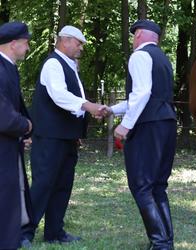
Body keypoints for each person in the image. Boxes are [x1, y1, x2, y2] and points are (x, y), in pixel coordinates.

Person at [22, 25, 103, 244]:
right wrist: (87, 106)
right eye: (78, 43)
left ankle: (54, 232)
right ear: (64, 41)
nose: (80, 48)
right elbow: (58, 95)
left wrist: (77, 127)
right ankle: (24, 233)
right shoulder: (53, 64)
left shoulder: (70, 65)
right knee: (43, 184)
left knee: (63, 185)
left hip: (66, 137)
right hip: (49, 136)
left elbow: (71, 100)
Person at [100, 20, 177, 249]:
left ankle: (160, 243)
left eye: (134, 35)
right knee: (158, 186)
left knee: (142, 185)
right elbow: (146, 96)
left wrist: (125, 125)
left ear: (140, 35)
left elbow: (142, 93)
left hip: (148, 126)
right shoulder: (163, 60)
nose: (133, 40)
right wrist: (112, 110)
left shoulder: (139, 57)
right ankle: (167, 241)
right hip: (167, 122)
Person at [0, 21, 33, 250]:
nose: (28, 49)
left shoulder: (7, 67)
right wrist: (25, 126)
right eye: (25, 44)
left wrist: (24, 131)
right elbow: (3, 114)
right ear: (13, 44)